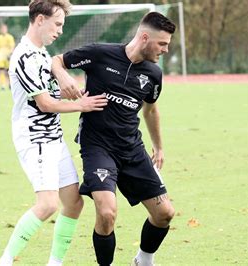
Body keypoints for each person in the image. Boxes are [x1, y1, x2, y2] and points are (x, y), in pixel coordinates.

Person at [52, 12, 176, 266]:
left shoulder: (153, 74)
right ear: (144, 37)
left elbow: (150, 109)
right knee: (107, 213)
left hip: (132, 149)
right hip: (97, 148)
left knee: (165, 213)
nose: (165, 50)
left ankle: (143, 260)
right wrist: (63, 76)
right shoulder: (100, 54)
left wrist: (159, 147)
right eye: (162, 44)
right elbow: (56, 60)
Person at [0, 1, 107, 265]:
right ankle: (4, 261)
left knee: (74, 202)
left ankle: (54, 263)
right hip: (35, 139)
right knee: (47, 205)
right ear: (40, 20)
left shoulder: (43, 54)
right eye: (57, 24)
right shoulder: (23, 55)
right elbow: (44, 103)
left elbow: (56, 82)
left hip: (53, 139)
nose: (60, 31)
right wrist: (81, 105)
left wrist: (72, 87)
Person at [0, 24, 15, 90]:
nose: (3, 30)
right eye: (2, 29)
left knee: (9, 71)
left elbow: (12, 47)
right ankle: (3, 85)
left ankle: (10, 84)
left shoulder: (10, 37)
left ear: (7, 29)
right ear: (1, 30)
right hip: (0, 56)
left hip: (7, 56)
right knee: (1, 70)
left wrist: (10, 54)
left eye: (5, 29)